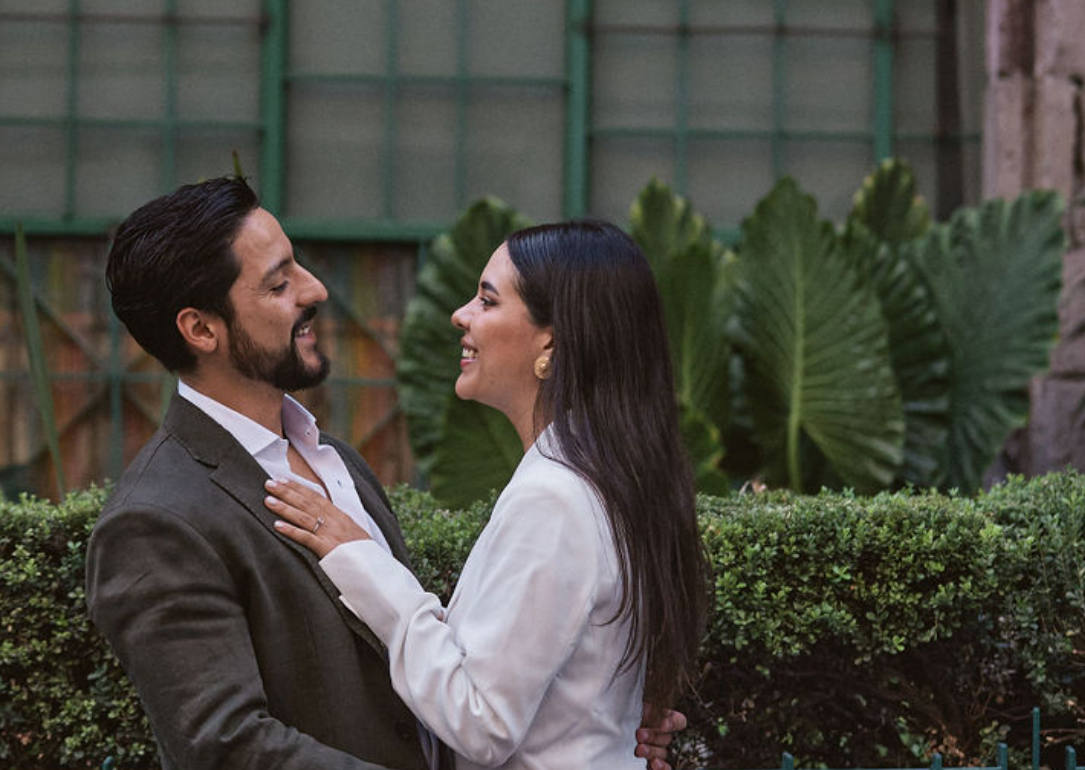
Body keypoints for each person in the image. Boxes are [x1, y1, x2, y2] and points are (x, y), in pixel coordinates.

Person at [85, 177, 687, 770]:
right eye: (279, 283)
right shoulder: (156, 519)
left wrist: (593, 711)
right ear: (201, 329)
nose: (316, 289)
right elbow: (226, 747)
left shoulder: (339, 463)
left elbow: (450, 670)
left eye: (299, 266)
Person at [268, 218, 710, 770]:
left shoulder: (555, 497)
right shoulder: (611, 475)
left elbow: (481, 722)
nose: (461, 314)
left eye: (487, 300)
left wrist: (360, 562)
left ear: (552, 340)